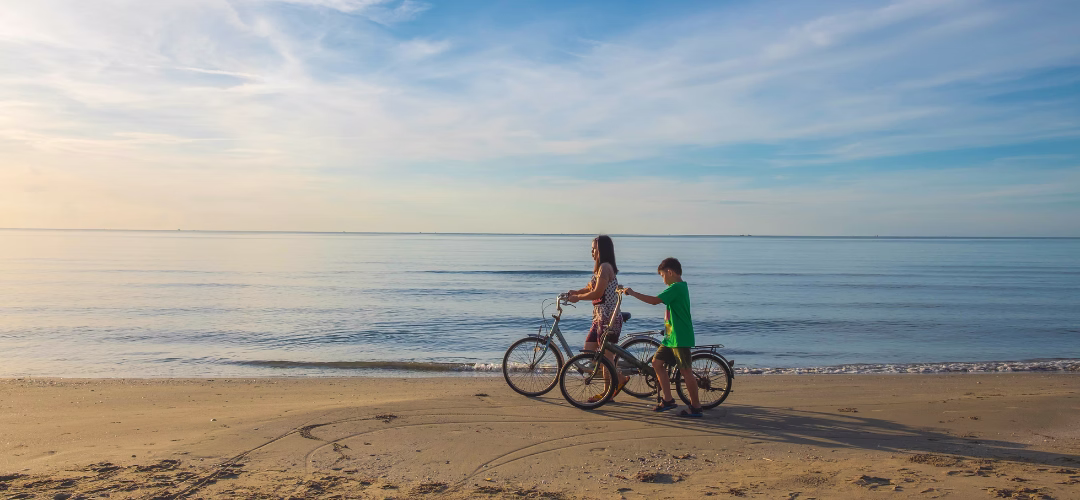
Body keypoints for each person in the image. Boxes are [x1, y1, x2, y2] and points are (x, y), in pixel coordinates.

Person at [623, 257, 702, 417]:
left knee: (686, 371)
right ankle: (668, 399)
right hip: (670, 336)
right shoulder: (678, 287)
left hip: (680, 337)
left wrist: (632, 293)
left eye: (662, 275)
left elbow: (654, 301)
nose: (663, 279)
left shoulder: (676, 287)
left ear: (670, 272)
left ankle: (696, 407)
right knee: (656, 363)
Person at [567, 235, 629, 400]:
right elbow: (589, 288)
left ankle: (608, 392)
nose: (591, 252)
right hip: (599, 318)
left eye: (594, 248)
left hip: (608, 318)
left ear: (601, 250)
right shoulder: (600, 269)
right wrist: (575, 292)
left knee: (606, 357)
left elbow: (597, 293)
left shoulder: (605, 268)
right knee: (589, 350)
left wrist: (578, 298)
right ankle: (618, 378)